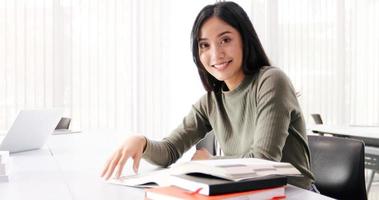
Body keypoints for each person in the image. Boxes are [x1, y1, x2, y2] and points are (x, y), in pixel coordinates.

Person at [101, 1, 315, 190]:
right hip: (245, 193)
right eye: (204, 45)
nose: (216, 54)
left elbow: (263, 160)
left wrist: (211, 162)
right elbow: (169, 151)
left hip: (294, 193)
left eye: (225, 40)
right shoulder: (210, 102)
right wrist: (142, 142)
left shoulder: (271, 81)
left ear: (245, 40)